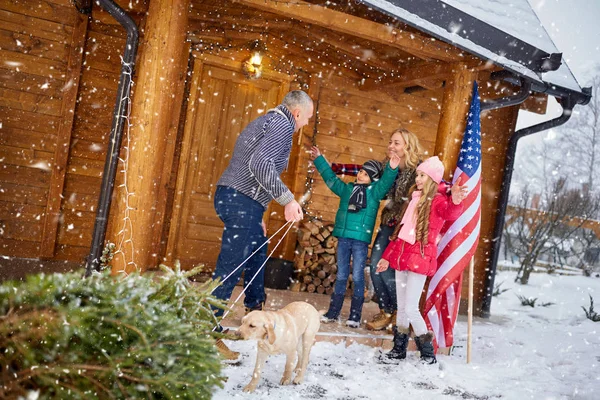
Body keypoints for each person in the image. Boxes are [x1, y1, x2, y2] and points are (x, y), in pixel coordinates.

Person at [212, 90, 313, 360]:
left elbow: (253, 165)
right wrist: (287, 200)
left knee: (258, 251)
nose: (305, 125)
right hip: (239, 199)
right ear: (298, 113)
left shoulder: (268, 121)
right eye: (307, 119)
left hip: (241, 200)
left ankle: (256, 311)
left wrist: (258, 214)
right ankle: (207, 333)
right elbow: (260, 163)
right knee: (229, 267)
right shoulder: (282, 124)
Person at [376, 156, 467, 364]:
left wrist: (455, 200)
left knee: (411, 308)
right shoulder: (414, 200)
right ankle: (398, 349)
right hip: (402, 258)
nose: (418, 179)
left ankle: (428, 353)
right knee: (402, 306)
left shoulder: (438, 201)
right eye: (417, 175)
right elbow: (400, 235)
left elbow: (450, 213)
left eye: (422, 175)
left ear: (433, 179)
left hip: (419, 260)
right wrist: (387, 258)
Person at [331, 128, 423, 332]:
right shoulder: (385, 166)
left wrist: (451, 190)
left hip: (407, 227)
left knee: (392, 270)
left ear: (408, 146)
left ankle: (399, 312)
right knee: (375, 266)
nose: (391, 146)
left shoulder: (418, 169)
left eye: (397, 143)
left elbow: (436, 183)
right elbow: (363, 172)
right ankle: (386, 311)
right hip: (388, 222)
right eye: (391, 142)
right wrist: (337, 167)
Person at [310, 145, 400, 328]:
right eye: (360, 172)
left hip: (360, 241)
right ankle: (333, 312)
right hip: (343, 238)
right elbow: (331, 179)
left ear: (373, 178)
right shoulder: (347, 190)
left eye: (366, 174)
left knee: (358, 277)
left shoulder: (374, 193)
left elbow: (385, 182)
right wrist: (319, 159)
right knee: (342, 275)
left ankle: (355, 316)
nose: (360, 175)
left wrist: (391, 168)